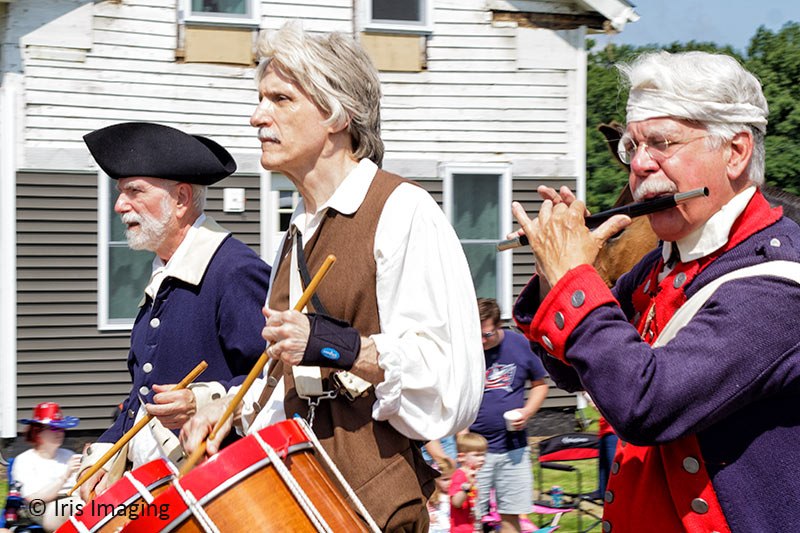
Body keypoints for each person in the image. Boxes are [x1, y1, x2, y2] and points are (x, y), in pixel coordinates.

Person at [180, 21, 484, 532]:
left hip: (373, 509)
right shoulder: (297, 231)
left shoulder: (402, 211)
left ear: (338, 113)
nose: (258, 117)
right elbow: (289, 381)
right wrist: (226, 412)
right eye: (260, 99)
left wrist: (335, 345)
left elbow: (448, 382)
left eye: (280, 99)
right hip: (297, 506)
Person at [512, 50, 800, 531]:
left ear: (736, 152)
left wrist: (573, 279)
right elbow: (572, 370)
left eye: (662, 143)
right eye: (633, 147)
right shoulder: (660, 267)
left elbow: (645, 402)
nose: (641, 164)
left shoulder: (777, 281)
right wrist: (552, 268)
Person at [77, 122, 271, 501]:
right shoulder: (163, 277)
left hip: (220, 494)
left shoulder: (234, 270)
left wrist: (204, 402)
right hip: (159, 493)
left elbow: (275, 377)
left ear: (181, 198)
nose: (120, 205)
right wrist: (103, 455)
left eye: (134, 191)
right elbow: (141, 395)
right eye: (121, 192)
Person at [469, 298, 548, 533]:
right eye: (477, 334)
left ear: (499, 324)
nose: (482, 341)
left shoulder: (520, 345)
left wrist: (527, 411)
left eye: (487, 334)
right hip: (474, 451)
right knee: (471, 517)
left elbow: (540, 384)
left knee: (511, 515)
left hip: (513, 448)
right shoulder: (467, 348)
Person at [10, 403, 82, 531]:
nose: (59, 433)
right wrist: (65, 475)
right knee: (82, 506)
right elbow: (35, 500)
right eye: (54, 428)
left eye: (61, 429)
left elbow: (79, 489)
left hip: (72, 502)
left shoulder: (69, 455)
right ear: (37, 432)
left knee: (99, 505)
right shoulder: (24, 461)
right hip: (42, 509)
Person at [449, 433, 488, 533]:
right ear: (461, 457)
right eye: (477, 455)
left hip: (473, 528)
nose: (482, 458)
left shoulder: (473, 474)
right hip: (461, 529)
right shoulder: (460, 476)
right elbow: (456, 503)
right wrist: (468, 486)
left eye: (483, 454)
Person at [427, 456, 456, 533]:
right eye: (445, 480)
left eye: (451, 478)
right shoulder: (432, 496)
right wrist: (429, 516)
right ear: (436, 480)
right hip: (435, 528)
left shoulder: (454, 496)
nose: (449, 483)